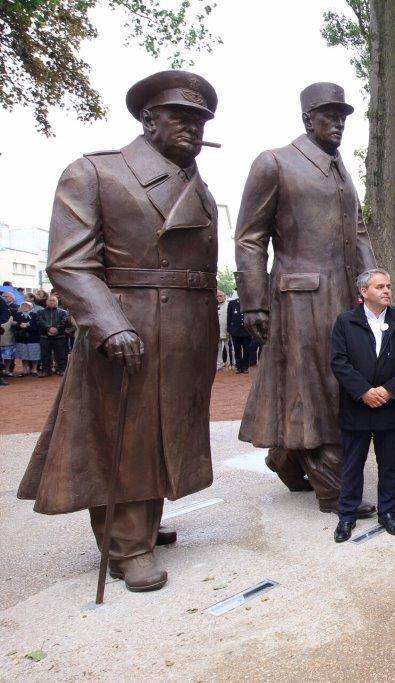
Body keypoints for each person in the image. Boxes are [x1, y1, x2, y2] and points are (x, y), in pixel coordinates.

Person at [18, 70, 221, 591]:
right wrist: (108, 324)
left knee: (163, 430)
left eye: (200, 121)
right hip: (127, 324)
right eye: (181, 116)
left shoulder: (197, 186)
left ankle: (144, 522)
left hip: (185, 330)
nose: (193, 128)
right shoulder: (94, 172)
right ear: (148, 118)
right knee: (125, 431)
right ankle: (126, 546)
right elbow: (68, 264)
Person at [235, 82, 378, 517]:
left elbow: (358, 233)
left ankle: (285, 455)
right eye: (328, 115)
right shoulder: (274, 162)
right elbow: (249, 237)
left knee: (326, 379)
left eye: (343, 116)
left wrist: (374, 283)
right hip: (299, 297)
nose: (338, 123)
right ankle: (333, 486)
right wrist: (254, 301)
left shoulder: (340, 170)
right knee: (321, 384)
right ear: (307, 119)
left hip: (343, 293)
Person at [330, 269, 395, 542]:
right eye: (379, 286)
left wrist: (388, 391)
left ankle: (387, 513)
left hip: (388, 408)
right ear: (364, 292)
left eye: (388, 286)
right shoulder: (346, 322)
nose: (386, 290)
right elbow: (339, 362)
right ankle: (347, 515)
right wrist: (364, 391)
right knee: (352, 463)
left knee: (388, 464)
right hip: (357, 406)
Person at [36, 295, 70, 377]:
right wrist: (48, 328)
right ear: (46, 302)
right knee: (45, 355)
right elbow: (40, 322)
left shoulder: (63, 312)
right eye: (50, 300)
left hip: (59, 336)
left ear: (57, 302)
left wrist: (56, 329)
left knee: (61, 355)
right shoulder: (40, 312)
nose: (51, 302)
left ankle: (62, 370)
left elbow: (64, 322)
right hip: (45, 337)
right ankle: (46, 370)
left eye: (53, 300)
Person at [12, 301, 41, 376]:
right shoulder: (17, 315)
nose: (25, 307)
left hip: (33, 338)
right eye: (23, 306)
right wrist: (20, 325)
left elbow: (38, 326)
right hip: (21, 338)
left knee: (34, 354)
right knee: (23, 355)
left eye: (27, 306)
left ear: (31, 307)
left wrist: (27, 326)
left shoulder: (35, 315)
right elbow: (13, 325)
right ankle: (25, 370)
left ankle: (34, 370)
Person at [215, 290, 231, 370]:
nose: (219, 298)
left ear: (224, 296)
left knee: (230, 348)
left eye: (220, 296)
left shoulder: (229, 305)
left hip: (227, 331)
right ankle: (219, 364)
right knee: (218, 349)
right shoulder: (214, 306)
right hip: (217, 331)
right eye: (217, 296)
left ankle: (230, 363)